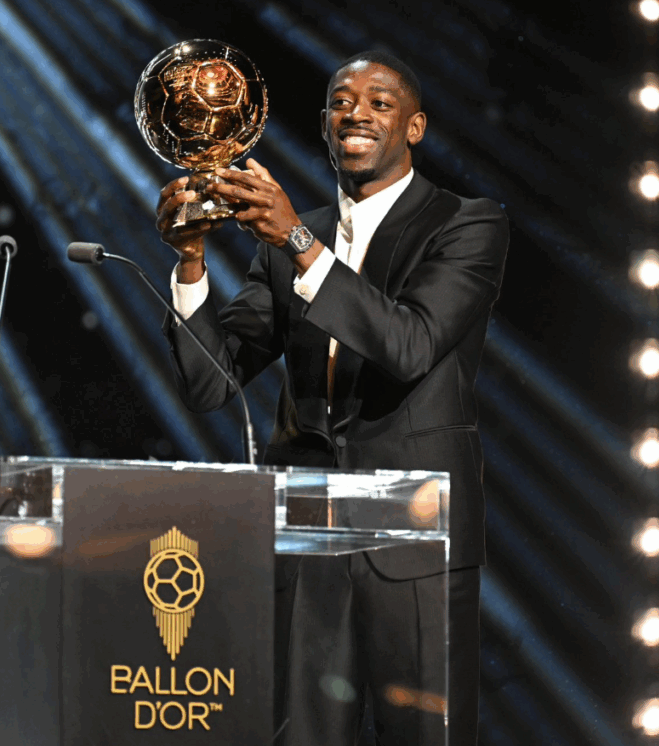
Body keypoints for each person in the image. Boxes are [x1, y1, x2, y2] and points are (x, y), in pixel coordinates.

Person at [155, 51, 508, 745]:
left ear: (414, 127)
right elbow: (211, 382)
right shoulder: (287, 238)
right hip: (307, 537)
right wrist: (190, 261)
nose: (357, 113)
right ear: (323, 126)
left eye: (380, 102)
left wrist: (298, 241)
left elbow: (410, 345)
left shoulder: (465, 224)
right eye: (341, 102)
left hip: (416, 542)